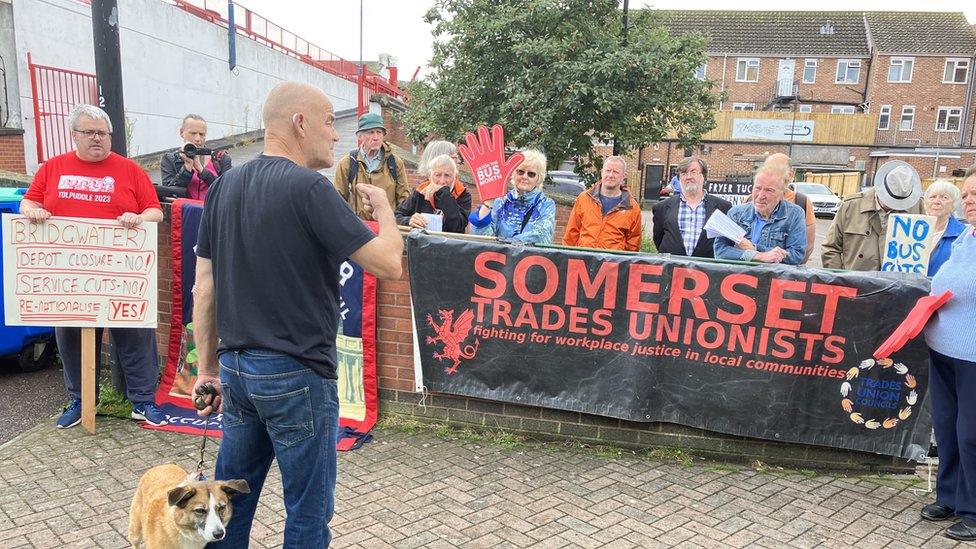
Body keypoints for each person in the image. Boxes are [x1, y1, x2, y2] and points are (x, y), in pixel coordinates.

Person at [190, 82, 403, 548]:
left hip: (236, 371)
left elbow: (203, 288)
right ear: (299, 123)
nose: (336, 135)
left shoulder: (223, 188)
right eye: (330, 122)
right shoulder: (309, 188)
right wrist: (387, 210)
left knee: (229, 505)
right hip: (297, 376)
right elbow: (388, 262)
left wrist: (206, 369)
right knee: (307, 512)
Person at [19, 104, 166, 429]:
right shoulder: (52, 168)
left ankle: (143, 402)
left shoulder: (130, 170)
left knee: (136, 338)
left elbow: (156, 211)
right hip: (70, 278)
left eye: (103, 133)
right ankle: (80, 402)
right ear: (74, 135)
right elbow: (29, 201)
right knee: (71, 340)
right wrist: (31, 210)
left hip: (121, 276)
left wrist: (139, 217)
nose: (97, 138)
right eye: (89, 132)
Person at [918, 167, 976, 541]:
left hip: (972, 356)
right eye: (968, 195)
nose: (970, 202)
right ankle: (951, 497)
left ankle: (973, 509)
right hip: (943, 349)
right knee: (948, 428)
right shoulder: (966, 237)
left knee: (972, 433)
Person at [821, 160, 923, 271]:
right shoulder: (851, 206)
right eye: (890, 200)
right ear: (880, 190)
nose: (893, 206)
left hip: (898, 284)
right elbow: (830, 248)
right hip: (856, 283)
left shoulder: (918, 208)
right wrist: (840, 280)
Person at [714, 166, 807, 264]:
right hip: (740, 277)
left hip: (773, 277)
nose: (761, 195)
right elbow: (720, 251)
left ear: (781, 194)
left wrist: (755, 248)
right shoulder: (736, 213)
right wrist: (758, 255)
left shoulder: (794, 214)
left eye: (769, 190)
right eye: (758, 188)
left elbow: (796, 255)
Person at [469, 149, 556, 244]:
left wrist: (507, 245)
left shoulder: (546, 204)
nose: (525, 177)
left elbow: (541, 236)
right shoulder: (501, 201)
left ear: (538, 178)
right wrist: (488, 203)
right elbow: (481, 238)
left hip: (528, 258)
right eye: (520, 172)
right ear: (513, 174)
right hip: (499, 257)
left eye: (531, 174)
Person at [332, 112, 409, 220]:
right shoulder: (348, 163)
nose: (376, 137)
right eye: (371, 132)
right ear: (361, 136)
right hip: (359, 228)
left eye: (379, 132)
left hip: (386, 225)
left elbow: (403, 199)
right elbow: (338, 200)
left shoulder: (394, 163)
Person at [652, 156, 731, 258]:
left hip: (708, 271)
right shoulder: (661, 208)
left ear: (704, 176)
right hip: (672, 270)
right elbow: (659, 240)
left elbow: (726, 242)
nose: (688, 177)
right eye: (684, 173)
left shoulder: (723, 207)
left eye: (693, 172)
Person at [562, 156, 642, 251]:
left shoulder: (632, 207)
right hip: (584, 260)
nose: (611, 175)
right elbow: (571, 234)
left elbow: (633, 245)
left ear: (623, 176)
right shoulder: (584, 198)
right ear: (602, 172)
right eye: (608, 171)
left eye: (615, 172)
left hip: (613, 263)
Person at [160, 114, 232, 200]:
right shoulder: (169, 159)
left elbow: (227, 189)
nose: (197, 138)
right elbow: (169, 194)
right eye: (193, 133)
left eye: (202, 134)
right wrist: (186, 169)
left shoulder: (220, 158)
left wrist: (201, 169)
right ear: (181, 132)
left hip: (212, 212)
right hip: (183, 211)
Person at [395, 154, 472, 233]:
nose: (442, 181)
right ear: (430, 176)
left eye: (447, 175)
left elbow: (457, 227)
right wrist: (409, 221)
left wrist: (445, 194)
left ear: (455, 177)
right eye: (437, 175)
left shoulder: (463, 195)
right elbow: (396, 216)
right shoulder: (420, 192)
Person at [762, 153, 817, 264]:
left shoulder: (801, 202)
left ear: (791, 175)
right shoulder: (751, 200)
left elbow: (807, 247)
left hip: (784, 275)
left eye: (777, 170)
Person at [923, 179, 965, 276]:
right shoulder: (910, 228)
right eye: (932, 197)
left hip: (942, 290)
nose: (937, 201)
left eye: (944, 197)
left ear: (953, 205)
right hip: (909, 288)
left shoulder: (963, 234)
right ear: (925, 203)